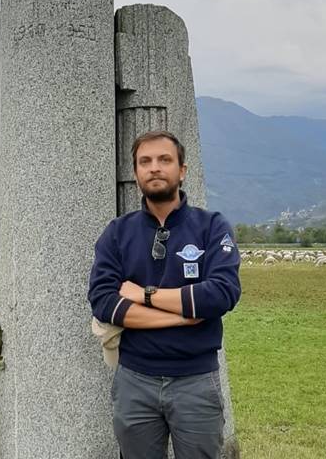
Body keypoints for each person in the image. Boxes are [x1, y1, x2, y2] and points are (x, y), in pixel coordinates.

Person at [88, 130, 241, 459]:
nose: (154, 168)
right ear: (135, 173)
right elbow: (103, 301)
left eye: (164, 160)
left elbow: (221, 294)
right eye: (145, 161)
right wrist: (185, 315)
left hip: (196, 382)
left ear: (182, 170)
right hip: (134, 382)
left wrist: (144, 295)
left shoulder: (211, 227)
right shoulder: (117, 233)